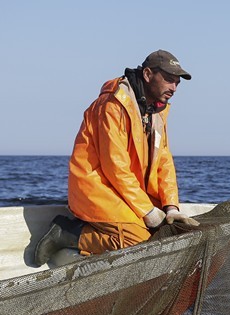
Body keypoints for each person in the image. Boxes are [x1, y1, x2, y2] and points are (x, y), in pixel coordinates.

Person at [34, 50, 199, 267]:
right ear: (148, 75)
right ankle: (68, 233)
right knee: (141, 241)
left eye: (177, 82)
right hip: (97, 190)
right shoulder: (112, 105)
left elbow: (164, 163)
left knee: (173, 232)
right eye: (169, 80)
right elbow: (115, 166)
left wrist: (171, 207)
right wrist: (147, 211)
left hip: (126, 194)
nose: (174, 88)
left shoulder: (156, 111)